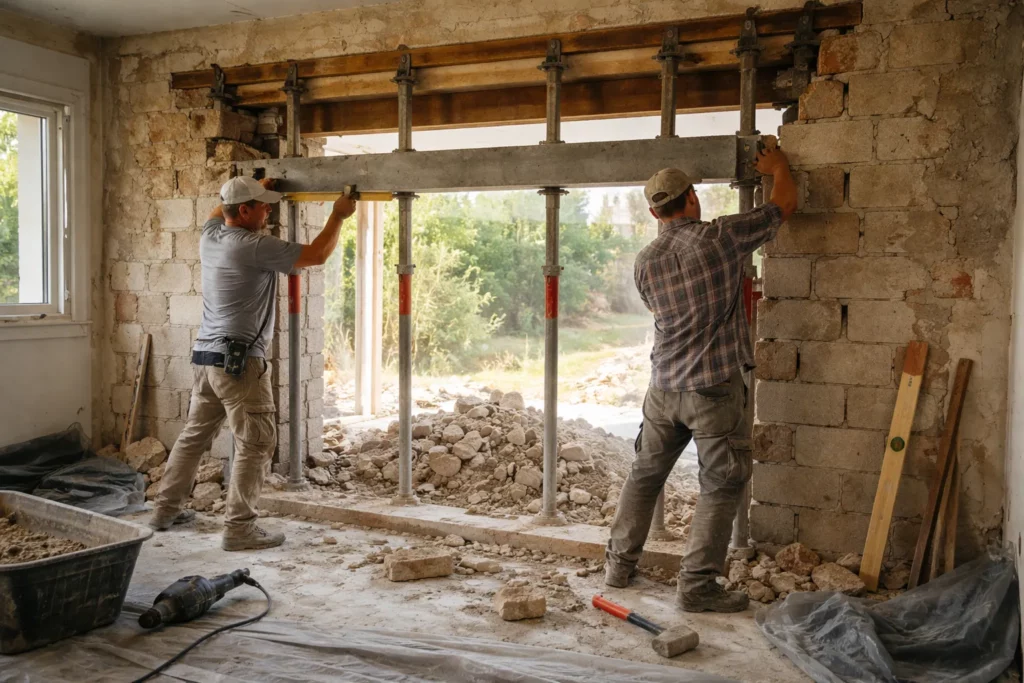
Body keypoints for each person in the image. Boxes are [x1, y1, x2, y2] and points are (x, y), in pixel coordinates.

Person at [604, 145, 797, 612]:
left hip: (663, 385)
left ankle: (618, 567)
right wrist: (778, 169)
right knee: (721, 483)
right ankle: (696, 588)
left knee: (645, 475)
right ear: (692, 199)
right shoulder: (721, 237)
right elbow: (783, 206)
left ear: (654, 211)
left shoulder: (645, 260)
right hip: (712, 387)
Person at [149, 176, 357, 551]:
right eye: (262, 205)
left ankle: (165, 511)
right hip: (239, 363)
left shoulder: (211, 235)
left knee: (194, 436)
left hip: (208, 360)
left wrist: (253, 186)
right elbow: (316, 255)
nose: (269, 210)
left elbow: (219, 207)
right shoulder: (253, 245)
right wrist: (338, 215)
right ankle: (239, 528)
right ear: (243, 212)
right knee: (257, 442)